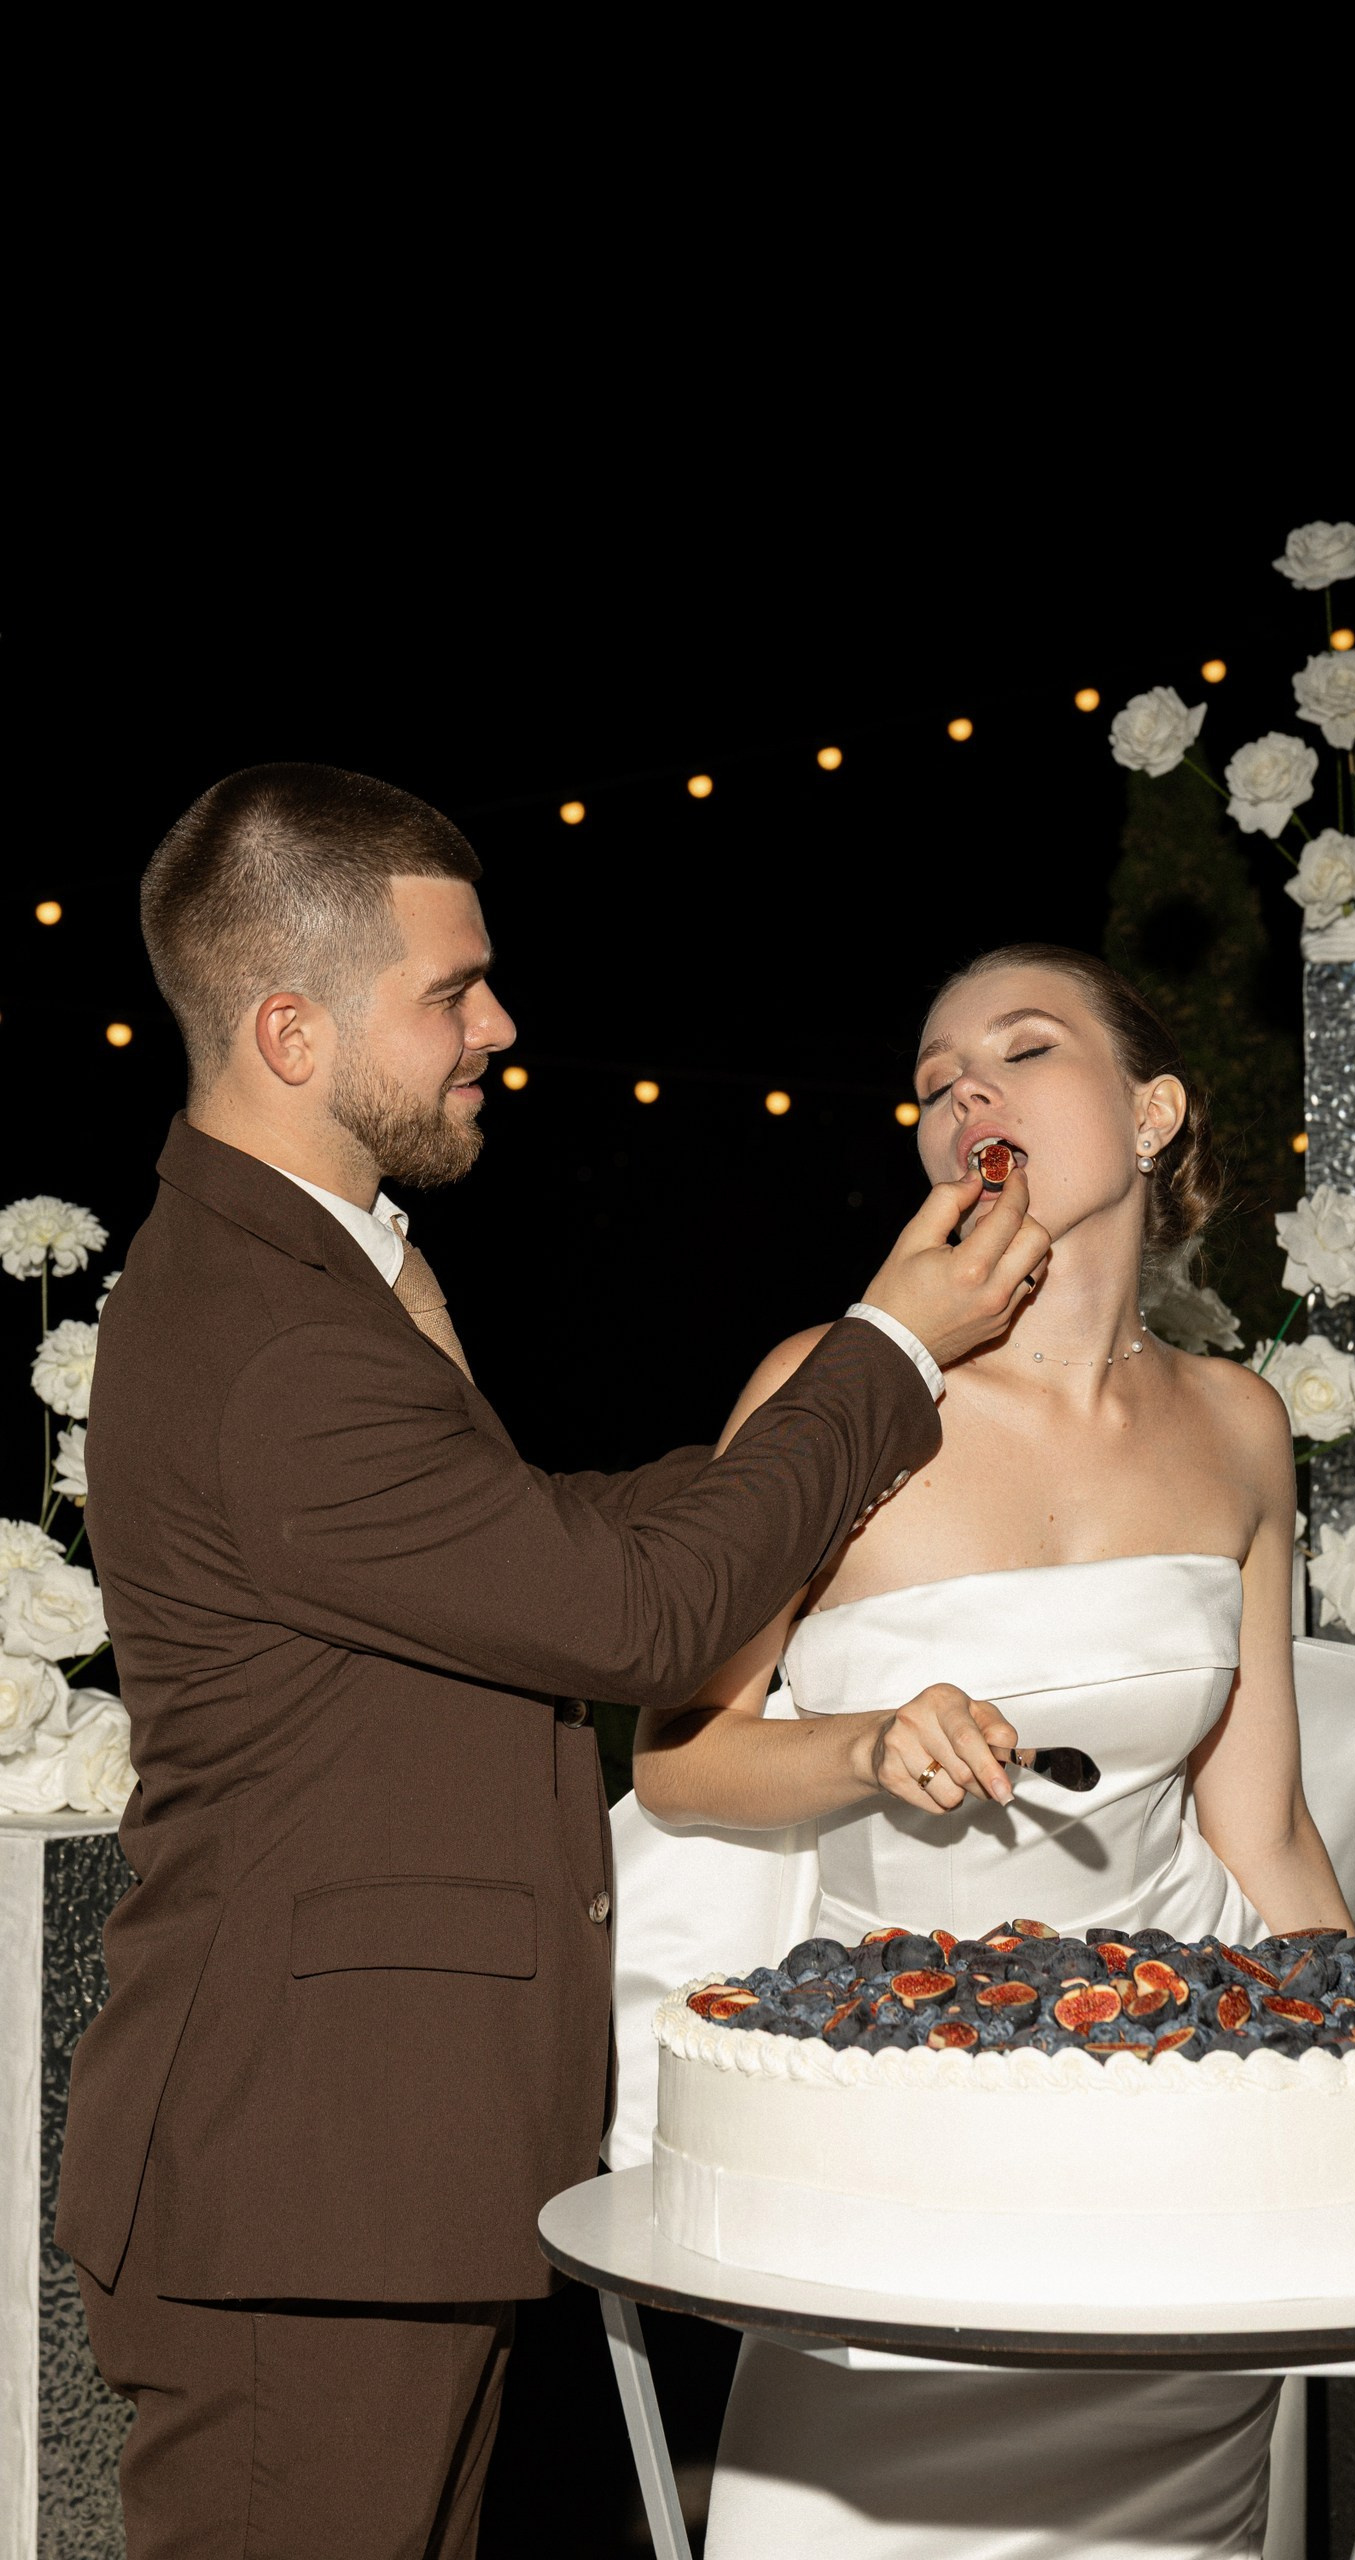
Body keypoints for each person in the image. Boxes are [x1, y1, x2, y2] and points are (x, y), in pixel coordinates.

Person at [58, 763, 1048, 2560]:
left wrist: (797, 1442)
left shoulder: (302, 1279)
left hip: (373, 2182)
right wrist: (891, 1351)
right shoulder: (274, 1340)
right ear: (290, 1030)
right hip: (307, 2184)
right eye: (451, 991)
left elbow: (544, 1543)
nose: (500, 1027)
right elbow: (631, 1619)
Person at [625, 941, 1355, 2560]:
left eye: (1024, 1050)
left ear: (1153, 1114)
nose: (968, 1092)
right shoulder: (836, 1394)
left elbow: (1265, 1833)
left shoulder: (1241, 1425)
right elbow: (677, 1762)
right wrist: (864, 1746)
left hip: (1174, 2152)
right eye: (937, 1079)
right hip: (890, 2142)